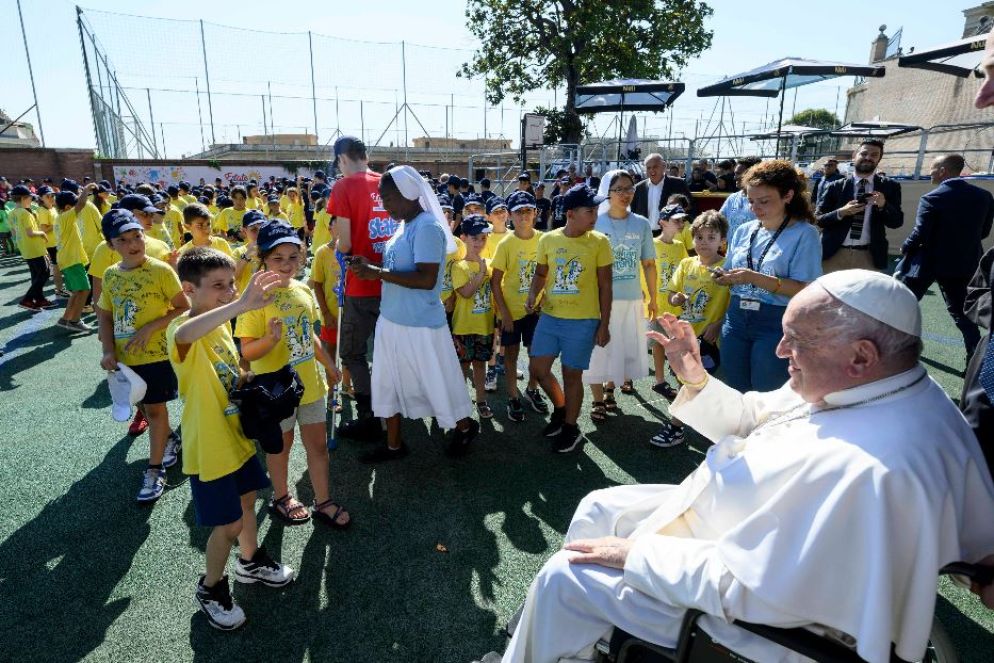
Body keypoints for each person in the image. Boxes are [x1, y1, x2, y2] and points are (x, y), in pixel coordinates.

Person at [483, 269, 994, 663]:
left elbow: (757, 589)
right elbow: (755, 418)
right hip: (746, 539)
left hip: (762, 625)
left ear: (861, 354)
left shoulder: (875, 470)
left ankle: (549, 638)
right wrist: (695, 377)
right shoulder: (875, 386)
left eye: (797, 340)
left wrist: (635, 556)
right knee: (601, 503)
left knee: (565, 576)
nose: (780, 350)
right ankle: (558, 640)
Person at [167, 249, 294, 631]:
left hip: (235, 435)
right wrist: (240, 302)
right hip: (210, 445)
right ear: (189, 289)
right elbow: (188, 333)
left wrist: (253, 381)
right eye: (218, 286)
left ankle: (251, 561)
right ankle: (210, 588)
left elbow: (235, 365)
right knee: (228, 526)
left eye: (231, 283)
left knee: (248, 503)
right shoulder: (182, 329)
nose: (228, 291)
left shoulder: (220, 325)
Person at [346, 166, 479, 461]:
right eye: (383, 198)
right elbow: (400, 267)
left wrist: (376, 272)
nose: (385, 204)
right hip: (392, 320)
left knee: (438, 383)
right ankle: (394, 445)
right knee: (387, 383)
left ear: (408, 194)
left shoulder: (427, 227)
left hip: (421, 326)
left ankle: (466, 427)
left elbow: (426, 279)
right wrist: (370, 268)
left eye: (389, 198)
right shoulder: (404, 226)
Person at [235, 221, 349, 528]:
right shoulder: (255, 298)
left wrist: (328, 364)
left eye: (292, 257)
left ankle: (322, 500)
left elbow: (309, 336)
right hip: (274, 391)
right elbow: (246, 351)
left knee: (318, 447)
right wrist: (270, 341)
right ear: (263, 259)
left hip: (310, 385)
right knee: (280, 447)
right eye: (277, 258)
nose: (286, 264)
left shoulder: (302, 290)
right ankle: (282, 497)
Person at [95, 209, 189, 502]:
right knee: (147, 409)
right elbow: (105, 315)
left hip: (157, 356)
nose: (133, 243)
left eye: (137, 235)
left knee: (156, 411)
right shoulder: (111, 275)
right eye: (122, 239)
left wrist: (151, 327)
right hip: (127, 360)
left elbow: (183, 307)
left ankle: (155, 469)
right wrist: (108, 350)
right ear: (111, 246)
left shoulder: (161, 270)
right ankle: (171, 438)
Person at [715, 160, 823, 393]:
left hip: (775, 321)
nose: (755, 208)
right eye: (751, 201)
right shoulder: (745, 230)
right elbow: (732, 269)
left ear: (788, 195)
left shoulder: (805, 234)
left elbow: (805, 288)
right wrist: (723, 276)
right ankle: (741, 431)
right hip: (735, 318)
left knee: (767, 390)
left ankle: (764, 431)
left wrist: (752, 277)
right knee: (734, 386)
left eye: (764, 201)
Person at [527, 184, 613, 453]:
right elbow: (541, 274)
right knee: (538, 371)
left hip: (583, 321)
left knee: (571, 376)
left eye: (596, 210)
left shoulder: (600, 242)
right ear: (571, 213)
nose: (595, 215)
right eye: (590, 210)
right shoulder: (548, 240)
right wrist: (533, 295)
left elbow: (605, 286)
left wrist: (604, 324)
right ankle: (562, 411)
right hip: (550, 317)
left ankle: (571, 427)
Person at [330, 136, 400, 441]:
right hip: (393, 281)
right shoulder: (387, 181)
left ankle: (370, 415)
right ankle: (395, 412)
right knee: (391, 351)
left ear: (342, 159)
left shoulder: (344, 186)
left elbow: (344, 243)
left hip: (360, 284)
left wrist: (334, 247)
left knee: (353, 353)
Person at [900, 154, 993, 360]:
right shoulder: (984, 197)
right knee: (962, 315)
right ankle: (975, 359)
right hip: (963, 263)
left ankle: (890, 349)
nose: (929, 172)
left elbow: (920, 233)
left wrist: (905, 247)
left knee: (902, 304)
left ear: (943, 171)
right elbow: (984, 232)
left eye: (932, 168)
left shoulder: (932, 198)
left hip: (927, 264)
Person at [650, 211, 730, 448]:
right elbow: (673, 295)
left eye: (711, 237)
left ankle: (676, 427)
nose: (704, 242)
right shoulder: (686, 263)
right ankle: (703, 423)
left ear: (722, 240)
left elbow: (735, 302)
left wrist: (718, 323)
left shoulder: (727, 268)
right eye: (700, 237)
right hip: (685, 337)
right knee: (691, 382)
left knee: (698, 383)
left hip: (711, 339)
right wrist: (677, 299)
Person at [584, 171, 656, 419]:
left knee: (622, 349)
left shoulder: (642, 224)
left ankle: (610, 390)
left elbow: (648, 264)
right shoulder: (595, 222)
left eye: (630, 188)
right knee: (598, 350)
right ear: (607, 192)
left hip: (631, 298)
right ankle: (596, 400)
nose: (626, 194)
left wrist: (654, 298)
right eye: (619, 189)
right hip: (599, 300)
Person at [491, 191, 550, 422]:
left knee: (537, 355)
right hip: (512, 312)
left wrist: (543, 301)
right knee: (511, 356)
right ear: (510, 216)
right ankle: (513, 397)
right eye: (518, 212)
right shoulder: (506, 243)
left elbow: (550, 274)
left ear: (535, 213)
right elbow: (496, 281)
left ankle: (532, 389)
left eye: (528, 210)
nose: (524, 216)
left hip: (537, 311)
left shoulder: (545, 239)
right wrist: (504, 313)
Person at [816, 140, 904, 272]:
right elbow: (819, 219)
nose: (868, 158)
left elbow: (896, 222)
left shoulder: (890, 186)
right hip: (833, 254)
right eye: (864, 153)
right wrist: (841, 212)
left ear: (879, 159)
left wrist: (883, 205)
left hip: (868, 257)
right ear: (854, 155)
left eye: (874, 155)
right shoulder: (835, 186)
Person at [452, 215, 496, 419]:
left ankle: (481, 400)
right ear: (463, 238)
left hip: (485, 326)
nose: (480, 242)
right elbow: (466, 293)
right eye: (475, 238)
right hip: (463, 326)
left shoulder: (490, 264)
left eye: (483, 238)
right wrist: (481, 272)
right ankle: (460, 403)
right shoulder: (458, 266)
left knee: (481, 365)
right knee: (462, 366)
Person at [648, 205, 690, 399]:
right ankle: (661, 381)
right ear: (662, 222)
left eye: (682, 220)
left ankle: (671, 382)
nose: (681, 224)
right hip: (657, 305)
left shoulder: (679, 246)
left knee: (674, 345)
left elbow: (684, 273)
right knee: (661, 344)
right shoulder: (651, 244)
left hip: (673, 305)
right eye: (676, 220)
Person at [53, 190, 93, 332]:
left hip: (69, 259)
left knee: (77, 291)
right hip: (71, 260)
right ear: (68, 207)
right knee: (85, 289)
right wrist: (86, 189)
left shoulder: (62, 218)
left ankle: (65, 319)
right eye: (74, 205)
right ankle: (75, 321)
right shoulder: (66, 217)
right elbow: (81, 204)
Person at [9, 185, 53, 311]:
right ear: (24, 198)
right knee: (44, 273)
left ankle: (39, 299)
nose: (31, 201)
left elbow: (14, 233)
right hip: (35, 248)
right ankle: (27, 299)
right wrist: (43, 233)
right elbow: (30, 233)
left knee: (36, 274)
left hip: (25, 248)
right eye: (30, 198)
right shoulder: (25, 213)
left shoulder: (12, 213)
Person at [631, 153, 692, 230]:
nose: (651, 170)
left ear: (664, 167)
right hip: (644, 234)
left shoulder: (678, 184)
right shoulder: (638, 188)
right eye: (648, 168)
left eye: (655, 167)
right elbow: (632, 212)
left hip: (669, 235)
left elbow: (690, 207)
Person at [717, 156, 762, 240]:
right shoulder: (732, 198)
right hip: (732, 252)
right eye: (735, 173)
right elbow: (718, 221)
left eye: (738, 173)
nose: (734, 177)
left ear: (753, 174)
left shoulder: (764, 202)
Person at [35, 186, 66, 298]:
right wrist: (57, 224)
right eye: (48, 196)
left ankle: (61, 289)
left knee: (61, 266)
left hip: (58, 242)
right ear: (41, 198)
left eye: (52, 195)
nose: (51, 197)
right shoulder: (42, 211)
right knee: (57, 267)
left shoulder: (52, 208)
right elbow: (43, 229)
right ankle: (59, 290)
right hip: (51, 244)